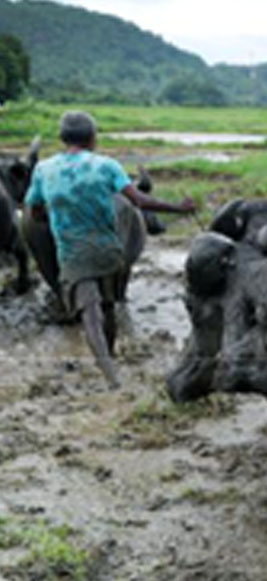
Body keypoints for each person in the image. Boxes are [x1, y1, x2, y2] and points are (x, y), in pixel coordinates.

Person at [24, 110, 196, 388]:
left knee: (90, 313)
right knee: (109, 306)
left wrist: (54, 217)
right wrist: (179, 208)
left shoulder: (43, 170)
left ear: (61, 138)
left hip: (72, 252)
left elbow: (34, 209)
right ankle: (113, 355)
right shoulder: (107, 166)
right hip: (108, 249)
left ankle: (110, 375)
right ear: (93, 139)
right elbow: (139, 200)